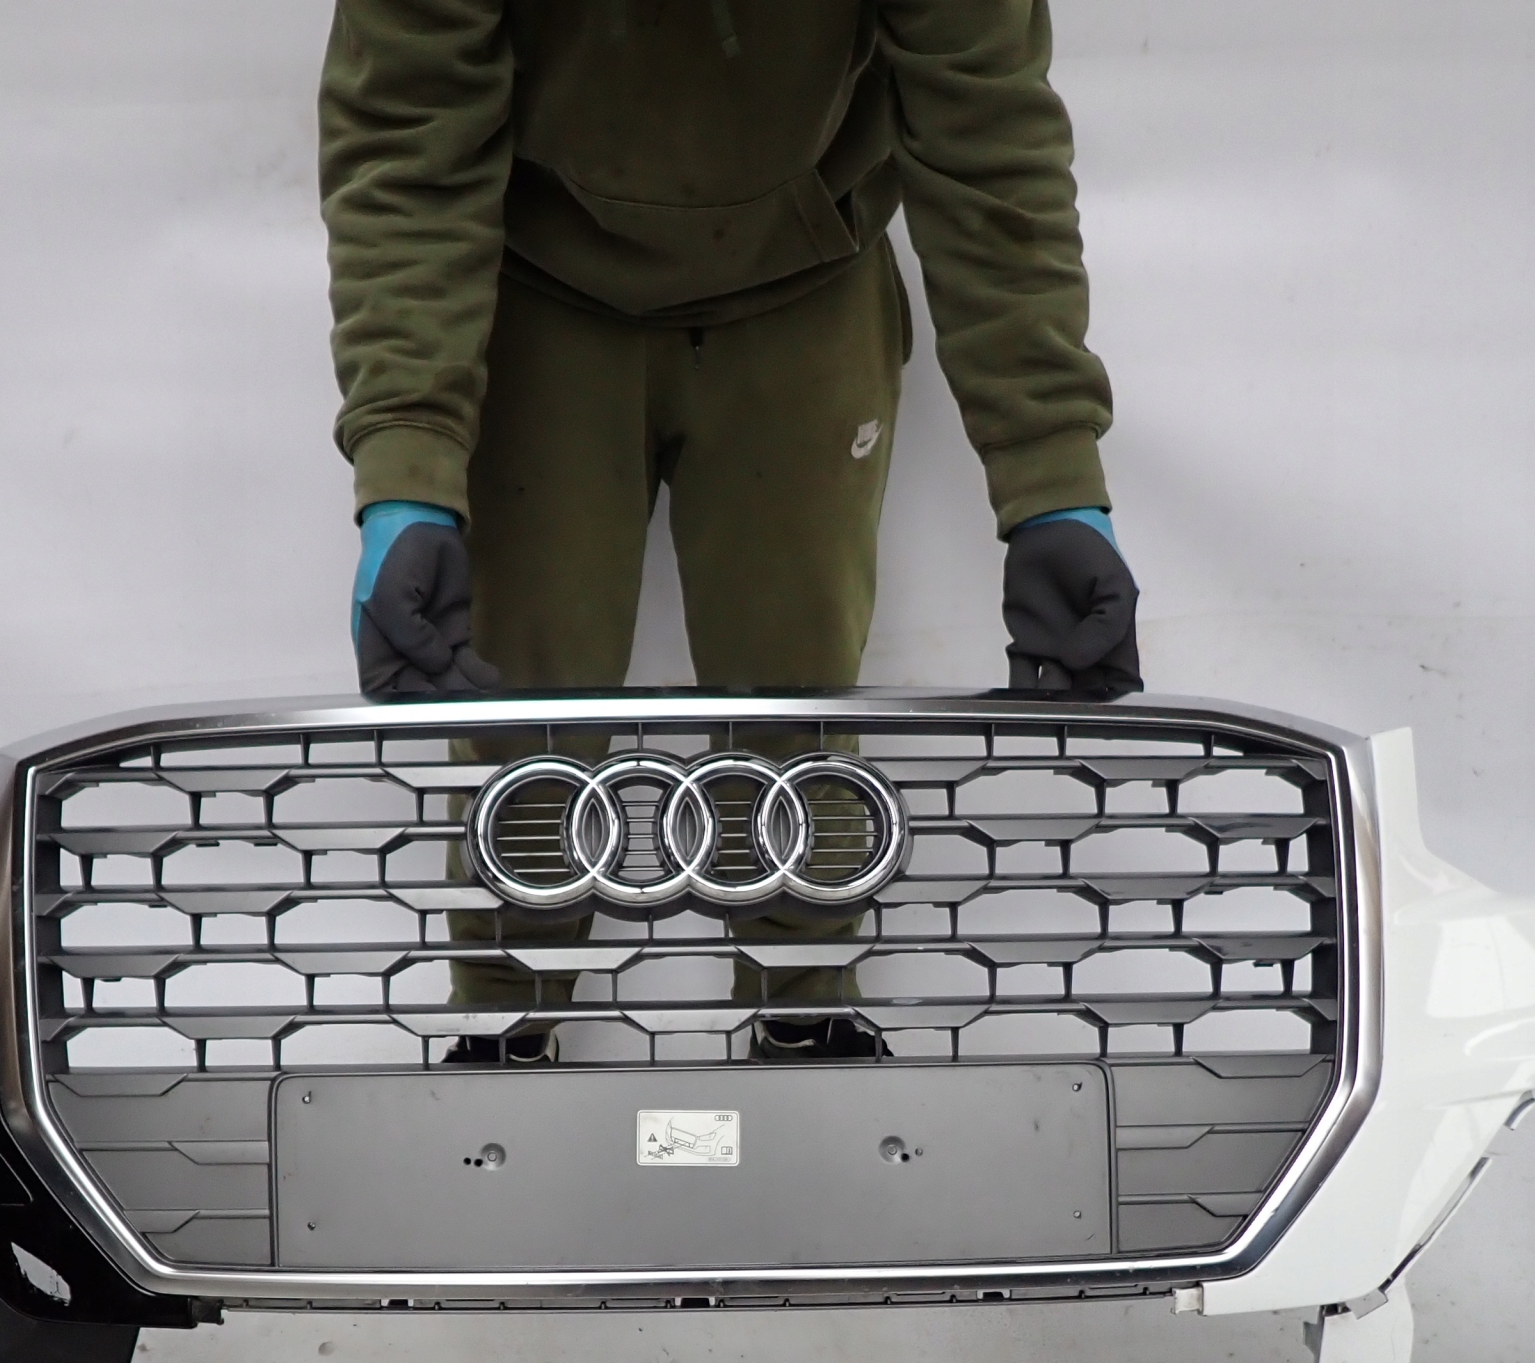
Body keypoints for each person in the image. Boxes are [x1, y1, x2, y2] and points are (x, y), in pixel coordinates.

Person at [321, 0, 1138, 1062]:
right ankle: (504, 1026)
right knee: (523, 715)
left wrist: (1051, 481)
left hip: (804, 286)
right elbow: (407, 129)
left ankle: (805, 1016)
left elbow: (986, 128)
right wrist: (408, 472)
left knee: (796, 704)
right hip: (536, 285)